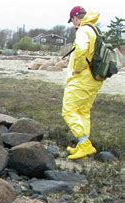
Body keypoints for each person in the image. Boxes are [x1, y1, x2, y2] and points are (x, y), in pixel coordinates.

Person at [62, 6, 103, 160]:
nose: (73, 24)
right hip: (94, 78)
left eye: (72, 21)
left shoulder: (83, 30)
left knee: (69, 111)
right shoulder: (95, 29)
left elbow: (80, 50)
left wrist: (77, 69)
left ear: (75, 18)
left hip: (83, 78)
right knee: (83, 111)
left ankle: (85, 144)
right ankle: (83, 145)